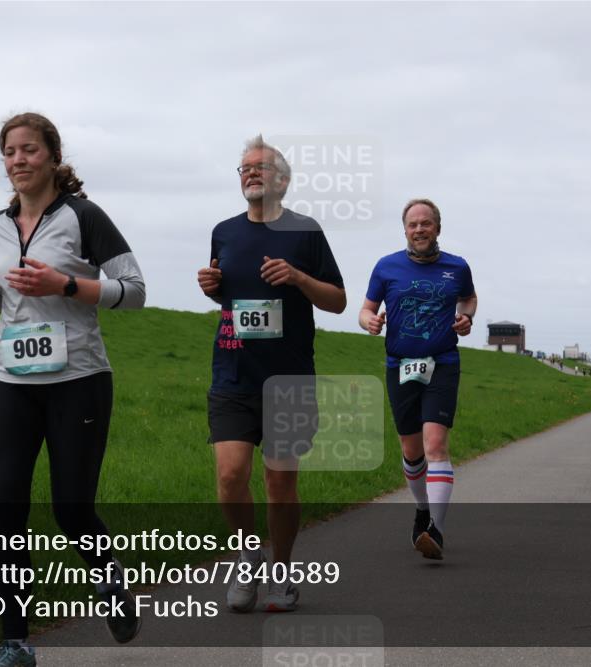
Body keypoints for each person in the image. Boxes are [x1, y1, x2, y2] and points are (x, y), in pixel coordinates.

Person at [0, 112, 146, 666]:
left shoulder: (85, 217)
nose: (18, 161)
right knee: (6, 510)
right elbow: (4, 296)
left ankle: (110, 580)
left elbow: (134, 290)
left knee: (71, 508)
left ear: (52, 156)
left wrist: (65, 283)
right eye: (10, 152)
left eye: (29, 150)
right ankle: (14, 642)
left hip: (78, 380)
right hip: (8, 380)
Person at [197, 135, 346, 612]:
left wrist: (300, 278)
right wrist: (210, 287)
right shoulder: (224, 231)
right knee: (230, 475)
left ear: (282, 179)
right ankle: (248, 555)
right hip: (233, 375)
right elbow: (231, 300)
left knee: (280, 483)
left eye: (259, 167)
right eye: (243, 168)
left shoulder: (305, 232)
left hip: (288, 380)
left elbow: (338, 301)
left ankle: (281, 577)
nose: (250, 174)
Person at [358, 198, 477, 560]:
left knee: (435, 443)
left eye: (426, 223)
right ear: (405, 230)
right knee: (412, 452)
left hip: (442, 362)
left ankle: (436, 531)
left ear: (438, 228)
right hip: (400, 365)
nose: (420, 229)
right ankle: (423, 510)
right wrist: (370, 323)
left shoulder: (456, 267)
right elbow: (365, 310)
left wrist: (465, 318)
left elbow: (469, 299)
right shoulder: (386, 267)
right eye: (413, 224)